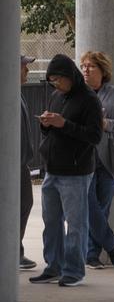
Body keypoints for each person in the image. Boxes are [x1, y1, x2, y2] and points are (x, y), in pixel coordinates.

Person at [29, 54, 103, 287]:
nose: (55, 85)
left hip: (76, 171)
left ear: (70, 76)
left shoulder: (90, 100)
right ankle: (53, 266)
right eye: (51, 81)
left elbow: (94, 136)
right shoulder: (55, 96)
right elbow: (50, 132)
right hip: (52, 168)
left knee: (76, 223)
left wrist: (64, 124)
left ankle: (74, 270)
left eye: (58, 80)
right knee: (51, 221)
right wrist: (46, 124)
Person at [81, 51, 114, 270]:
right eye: (83, 66)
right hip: (85, 158)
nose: (85, 70)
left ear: (103, 71)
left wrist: (107, 124)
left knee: (102, 207)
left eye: (90, 66)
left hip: (111, 158)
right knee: (88, 205)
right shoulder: (79, 94)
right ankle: (110, 244)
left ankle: (92, 255)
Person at [20, 55, 36, 271]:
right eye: (24, 66)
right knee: (21, 205)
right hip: (12, 164)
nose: (27, 70)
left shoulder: (17, 93)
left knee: (25, 204)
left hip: (20, 162)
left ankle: (14, 250)